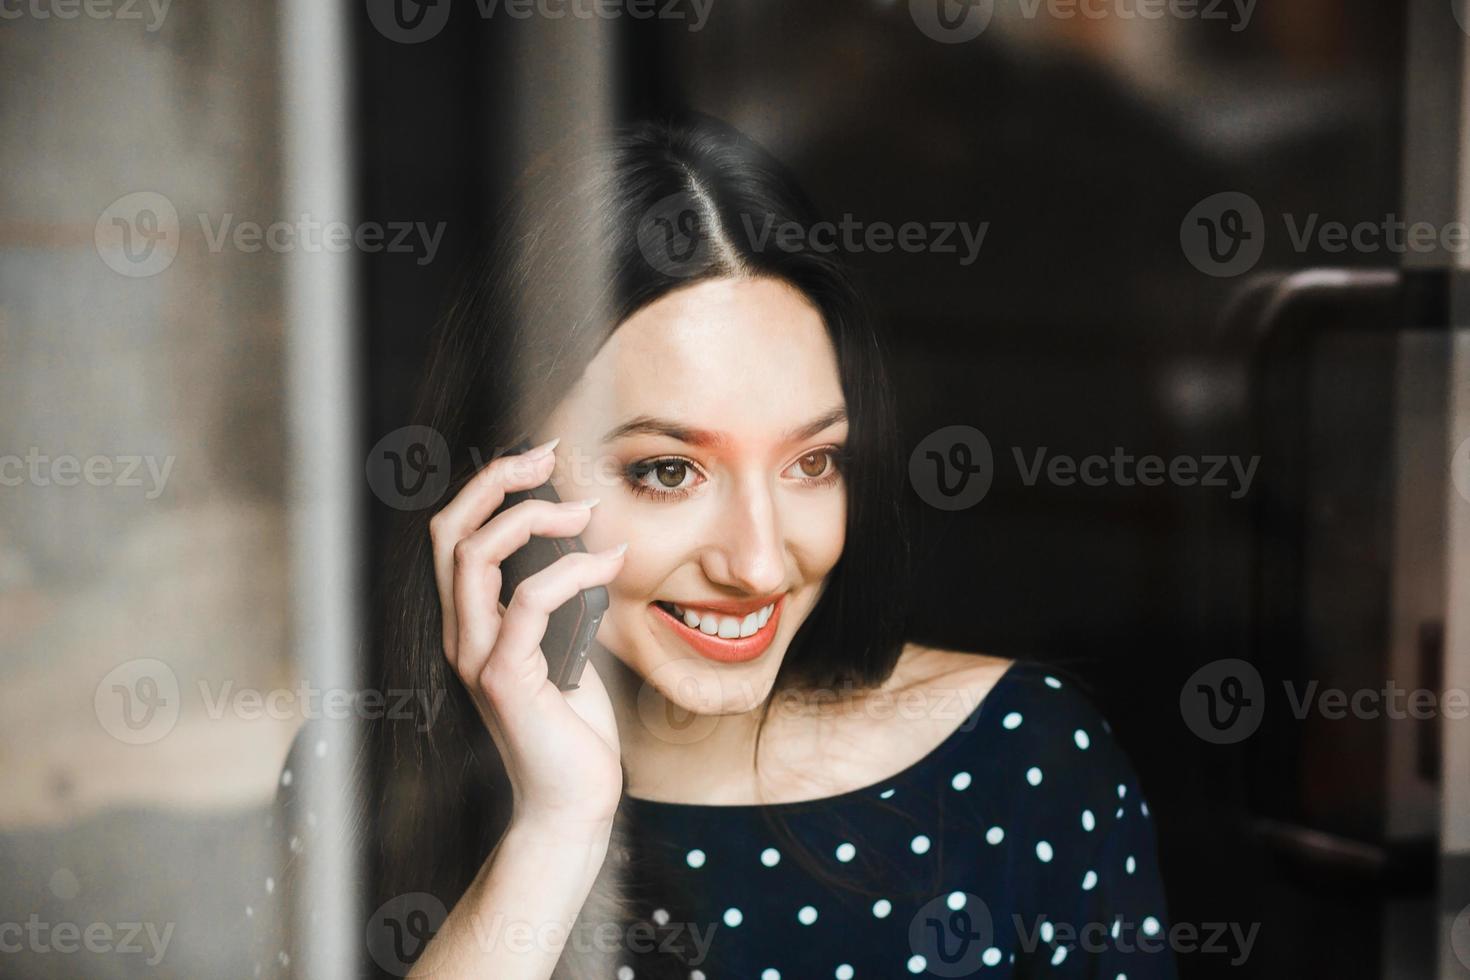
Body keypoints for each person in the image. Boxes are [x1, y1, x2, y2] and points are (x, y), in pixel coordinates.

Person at [250, 113, 1178, 979]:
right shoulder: (363, 781)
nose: (761, 563)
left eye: (813, 462)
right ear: (507, 481)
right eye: (666, 472)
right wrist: (555, 827)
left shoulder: (1021, 766)